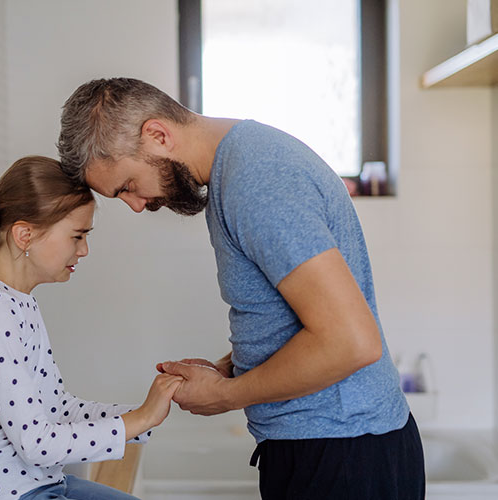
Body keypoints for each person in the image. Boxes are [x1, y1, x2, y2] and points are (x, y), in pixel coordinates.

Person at [57, 78, 425, 499]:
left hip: (341, 454)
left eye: (126, 186)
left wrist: (228, 394)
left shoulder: (256, 180)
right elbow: (299, 318)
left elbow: (352, 342)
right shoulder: (240, 167)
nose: (137, 205)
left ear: (158, 135)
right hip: (329, 446)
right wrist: (229, 368)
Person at [0, 155, 183, 500]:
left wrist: (143, 414)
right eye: (77, 236)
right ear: (25, 235)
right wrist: (138, 420)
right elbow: (37, 444)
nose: (84, 250)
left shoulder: (16, 300)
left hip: (38, 483)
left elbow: (55, 408)